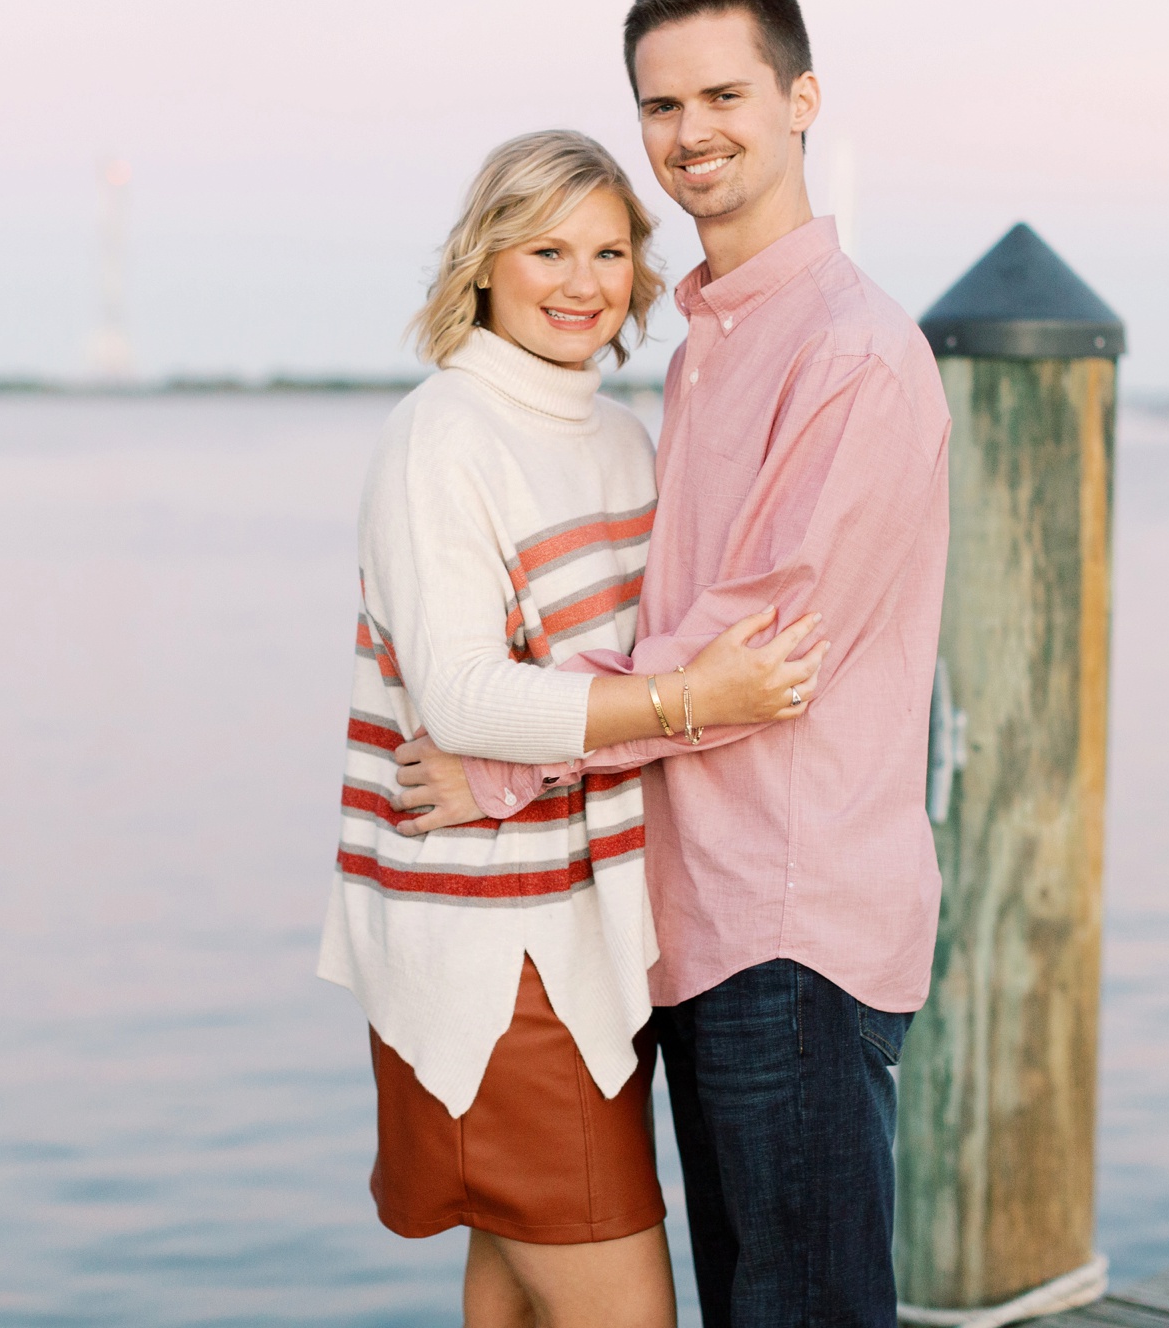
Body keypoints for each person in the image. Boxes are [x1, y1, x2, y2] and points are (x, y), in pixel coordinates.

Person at [393, 0, 953, 1328]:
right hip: (692, 918)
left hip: (789, 925)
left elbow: (747, 653)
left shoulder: (853, 356)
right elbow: (665, 634)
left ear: (801, 99)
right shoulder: (712, 336)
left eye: (724, 94)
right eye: (662, 104)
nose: (692, 130)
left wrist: (506, 768)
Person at [317, 128, 829, 1328]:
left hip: (586, 928)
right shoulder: (441, 434)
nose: (581, 280)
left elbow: (618, 666)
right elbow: (462, 697)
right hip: (497, 957)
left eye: (608, 250)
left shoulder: (617, 439)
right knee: (614, 1295)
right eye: (546, 247)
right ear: (485, 258)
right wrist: (700, 702)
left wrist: (630, 709)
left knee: (512, 1280)